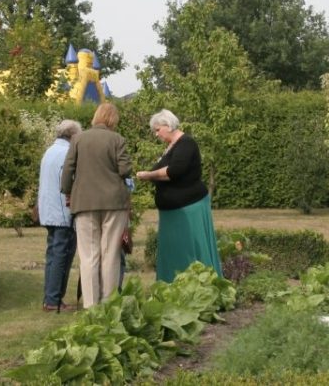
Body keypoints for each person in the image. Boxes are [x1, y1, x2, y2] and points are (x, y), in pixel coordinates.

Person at [136, 109, 222, 282]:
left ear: (168, 126)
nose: (156, 134)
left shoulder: (186, 143)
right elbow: (162, 171)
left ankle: (201, 287)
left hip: (188, 207)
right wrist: (151, 174)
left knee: (191, 249)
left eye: (157, 129)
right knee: (175, 251)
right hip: (172, 210)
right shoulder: (171, 147)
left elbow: (174, 171)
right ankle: (173, 287)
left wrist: (149, 175)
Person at [60, 102, 132, 308]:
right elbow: (125, 170)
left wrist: (67, 192)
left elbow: (67, 170)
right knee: (110, 253)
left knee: (89, 254)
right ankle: (109, 303)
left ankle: (91, 305)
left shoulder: (77, 139)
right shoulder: (117, 139)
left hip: (84, 202)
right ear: (113, 119)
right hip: (113, 203)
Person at [38, 119, 82, 312]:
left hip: (48, 210)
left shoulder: (49, 151)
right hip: (62, 212)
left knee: (52, 255)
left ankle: (50, 298)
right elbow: (69, 181)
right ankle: (54, 300)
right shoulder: (67, 153)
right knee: (61, 256)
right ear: (73, 136)